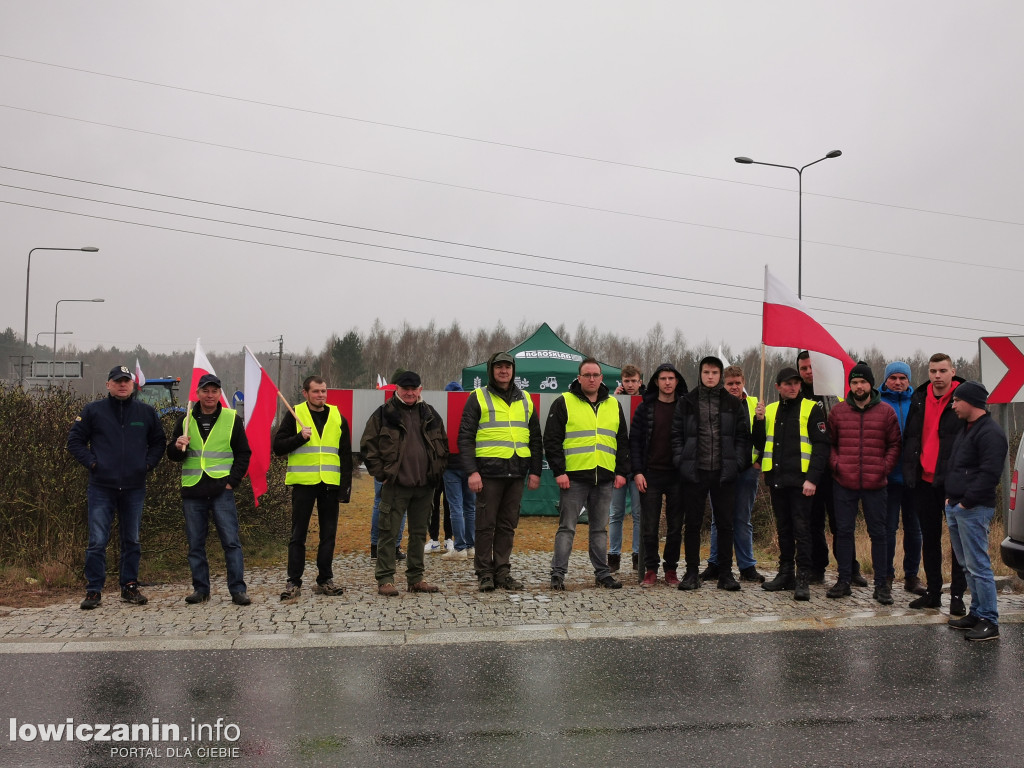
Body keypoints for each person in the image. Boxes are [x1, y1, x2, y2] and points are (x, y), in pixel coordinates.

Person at [67, 365, 166, 610]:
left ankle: (129, 587)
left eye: (126, 381)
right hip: (101, 486)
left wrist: (147, 465)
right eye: (117, 381)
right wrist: (92, 463)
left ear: (133, 385)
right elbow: (75, 441)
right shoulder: (93, 411)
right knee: (97, 541)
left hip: (134, 487)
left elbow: (159, 442)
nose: (122, 385)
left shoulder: (146, 412)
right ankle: (93, 590)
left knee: (131, 540)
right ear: (108, 384)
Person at [459, 352, 542, 591]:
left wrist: (535, 471)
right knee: (485, 526)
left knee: (507, 525)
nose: (504, 371)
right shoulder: (478, 397)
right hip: (488, 473)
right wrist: (472, 472)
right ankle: (485, 573)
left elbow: (535, 438)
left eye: (508, 367)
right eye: (499, 367)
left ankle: (503, 572)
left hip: (516, 472)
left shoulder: (526, 399)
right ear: (491, 371)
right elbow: (465, 438)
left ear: (513, 370)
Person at [360, 371, 448, 596]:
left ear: (420, 389)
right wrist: (382, 474)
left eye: (413, 388)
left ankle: (416, 578)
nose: (409, 392)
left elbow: (443, 446)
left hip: (424, 486)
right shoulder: (383, 414)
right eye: (405, 389)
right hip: (395, 485)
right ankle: (385, 579)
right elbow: (368, 446)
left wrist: (437, 472)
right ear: (396, 389)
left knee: (419, 533)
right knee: (388, 533)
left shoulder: (430, 414)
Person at [546, 357, 630, 590]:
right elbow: (551, 440)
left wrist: (621, 471)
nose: (592, 379)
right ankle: (558, 574)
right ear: (579, 377)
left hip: (604, 478)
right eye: (587, 375)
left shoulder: (613, 404)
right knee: (567, 528)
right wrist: (559, 472)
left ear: (602, 378)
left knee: (599, 530)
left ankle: (602, 574)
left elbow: (622, 440)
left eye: (596, 375)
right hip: (572, 478)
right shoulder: (564, 401)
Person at [167, 374, 252, 605]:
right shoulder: (185, 419)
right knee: (195, 544)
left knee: (231, 542)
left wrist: (232, 482)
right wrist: (176, 445)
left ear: (219, 394)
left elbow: (244, 453)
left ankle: (237, 590)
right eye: (205, 391)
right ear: (198, 393)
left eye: (214, 391)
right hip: (193, 491)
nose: (210, 395)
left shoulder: (231, 418)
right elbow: (173, 455)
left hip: (221, 490)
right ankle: (201, 590)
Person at [671, 356, 751, 591]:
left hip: (723, 472)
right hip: (694, 472)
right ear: (700, 373)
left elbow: (742, 438)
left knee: (726, 524)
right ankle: (692, 573)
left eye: (715, 373)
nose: (710, 376)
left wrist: (736, 463)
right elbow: (676, 436)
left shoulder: (733, 404)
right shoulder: (686, 402)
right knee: (693, 524)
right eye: (706, 372)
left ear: (720, 375)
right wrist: (681, 461)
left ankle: (726, 574)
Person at [826, 363, 901, 605]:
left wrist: (883, 468)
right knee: (843, 533)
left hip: (875, 483)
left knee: (878, 534)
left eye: (863, 382)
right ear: (850, 385)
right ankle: (844, 581)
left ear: (870, 384)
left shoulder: (886, 412)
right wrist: (837, 465)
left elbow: (894, 445)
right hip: (844, 482)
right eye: (855, 382)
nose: (859, 386)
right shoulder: (837, 412)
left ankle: (881, 585)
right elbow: (830, 444)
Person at [273, 375, 352, 601]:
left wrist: (345, 488)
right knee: (298, 535)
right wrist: (299, 438)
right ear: (305, 393)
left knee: (328, 535)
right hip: (303, 484)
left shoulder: (337, 417)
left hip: (329, 484)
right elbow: (277, 447)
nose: (321, 395)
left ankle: (325, 579)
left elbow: (345, 456)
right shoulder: (295, 414)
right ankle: (293, 581)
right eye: (316, 391)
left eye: (324, 391)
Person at [903, 353, 968, 614]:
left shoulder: (964, 400)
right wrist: (910, 472)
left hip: (953, 483)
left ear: (953, 371)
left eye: (942, 370)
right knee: (929, 539)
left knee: (957, 543)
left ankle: (957, 596)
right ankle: (933, 592)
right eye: (933, 371)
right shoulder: (918, 398)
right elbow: (910, 437)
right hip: (924, 481)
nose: (937, 375)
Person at [944, 381, 1007, 641]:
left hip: (974, 508)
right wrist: (950, 499)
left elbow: (990, 474)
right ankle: (976, 612)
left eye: (957, 400)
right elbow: (958, 466)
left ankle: (989, 620)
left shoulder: (990, 433)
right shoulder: (966, 429)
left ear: (971, 402)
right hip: (957, 506)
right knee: (967, 565)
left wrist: (966, 502)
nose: (953, 404)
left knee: (979, 566)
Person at [761, 367, 830, 601]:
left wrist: (813, 479)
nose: (793, 387)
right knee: (784, 530)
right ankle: (785, 573)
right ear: (777, 386)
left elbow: (821, 446)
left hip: (802, 482)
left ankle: (803, 578)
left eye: (796, 383)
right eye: (788, 383)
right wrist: (758, 421)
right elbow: (760, 442)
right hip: (777, 479)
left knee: (803, 531)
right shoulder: (770, 409)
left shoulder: (811, 408)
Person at [798, 351, 864, 586]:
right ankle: (818, 567)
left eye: (811, 367)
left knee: (841, 523)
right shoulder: (798, 396)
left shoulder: (835, 392)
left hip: (837, 469)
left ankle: (850, 568)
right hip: (811, 471)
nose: (808, 372)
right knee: (813, 523)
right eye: (803, 368)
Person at [702, 365, 766, 584]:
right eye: (730, 383)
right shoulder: (716, 403)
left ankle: (747, 566)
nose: (734, 387)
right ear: (723, 384)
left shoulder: (755, 404)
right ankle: (715, 564)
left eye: (737, 383)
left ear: (743, 382)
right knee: (718, 520)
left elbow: (763, 437)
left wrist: (758, 462)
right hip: (720, 470)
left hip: (748, 470)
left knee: (742, 519)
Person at [631, 363, 687, 587]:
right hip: (650, 474)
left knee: (675, 527)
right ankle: (650, 569)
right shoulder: (645, 407)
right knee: (649, 526)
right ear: (656, 381)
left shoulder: (685, 407)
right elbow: (634, 441)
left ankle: (671, 569)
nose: (667, 382)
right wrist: (637, 472)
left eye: (671, 378)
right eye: (663, 378)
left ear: (676, 381)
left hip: (677, 476)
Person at [879, 361, 926, 595]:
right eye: (893, 378)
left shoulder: (918, 402)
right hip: (886, 477)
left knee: (914, 529)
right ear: (886, 379)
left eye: (902, 378)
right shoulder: (877, 401)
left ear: (909, 380)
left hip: (913, 478)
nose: (898, 382)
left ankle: (912, 576)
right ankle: (886, 575)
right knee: (887, 529)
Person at [609, 365, 644, 572]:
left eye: (634, 381)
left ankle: (638, 555)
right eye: (627, 381)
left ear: (640, 382)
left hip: (639, 467)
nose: (630, 385)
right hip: (618, 467)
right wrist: (614, 400)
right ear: (622, 382)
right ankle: (613, 555)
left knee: (639, 514)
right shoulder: (612, 402)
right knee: (615, 514)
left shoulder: (647, 401)